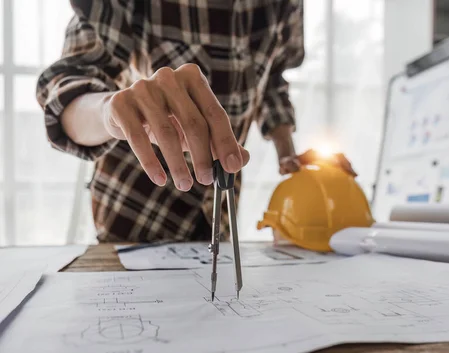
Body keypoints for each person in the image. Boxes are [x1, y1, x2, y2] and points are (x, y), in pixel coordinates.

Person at [36, 0, 305, 243]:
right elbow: (69, 85)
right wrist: (110, 110)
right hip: (135, 210)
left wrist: (289, 158)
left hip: (220, 208)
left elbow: (272, 80)